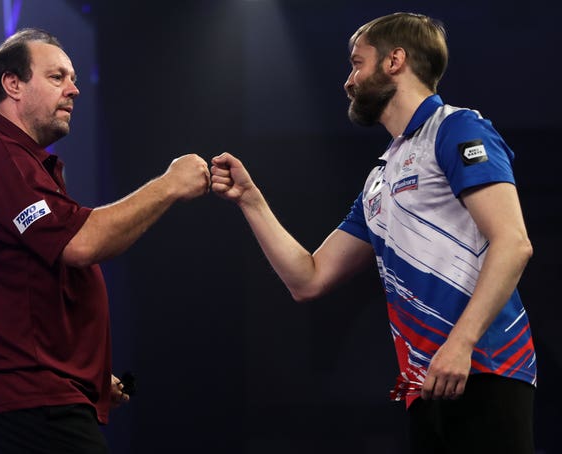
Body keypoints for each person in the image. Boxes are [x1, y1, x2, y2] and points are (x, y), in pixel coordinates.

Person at [211, 12, 536, 454]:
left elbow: (514, 243)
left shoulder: (456, 127)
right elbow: (308, 278)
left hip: (487, 369)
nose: (348, 80)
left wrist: (461, 343)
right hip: (425, 387)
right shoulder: (380, 178)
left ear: (394, 61)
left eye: (357, 63)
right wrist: (251, 199)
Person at [0, 28, 210, 453]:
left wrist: (87, 373)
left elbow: (36, 282)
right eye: (57, 77)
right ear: (12, 84)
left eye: (71, 78)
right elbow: (81, 244)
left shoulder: (21, 162)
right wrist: (169, 185)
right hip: (30, 394)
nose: (74, 89)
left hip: (43, 390)